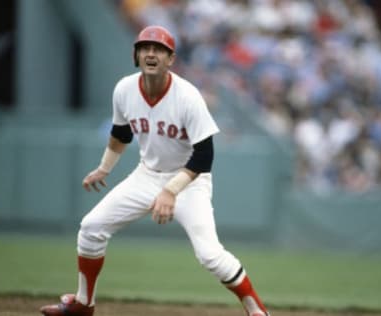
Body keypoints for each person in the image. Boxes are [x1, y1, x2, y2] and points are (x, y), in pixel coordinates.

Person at [40, 25, 270, 316]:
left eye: (159, 49)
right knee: (91, 228)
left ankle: (257, 311)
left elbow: (204, 156)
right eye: (145, 48)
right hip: (146, 175)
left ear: (170, 59)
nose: (151, 54)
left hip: (189, 181)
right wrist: (104, 168)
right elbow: (121, 134)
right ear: (136, 55)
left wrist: (170, 191)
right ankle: (84, 304)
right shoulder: (124, 89)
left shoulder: (187, 96)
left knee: (210, 255)